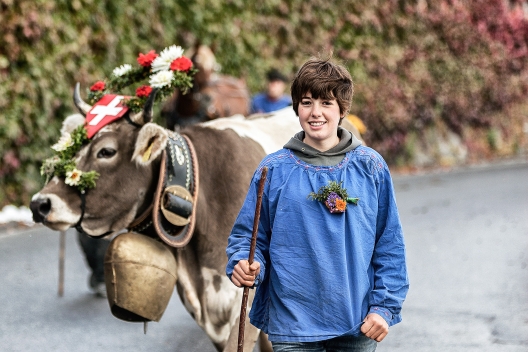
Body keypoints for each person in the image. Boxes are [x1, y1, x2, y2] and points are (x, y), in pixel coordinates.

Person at [226, 57, 409, 352]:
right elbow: (248, 237)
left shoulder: (370, 167)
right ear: (296, 106)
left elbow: (389, 244)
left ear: (342, 109)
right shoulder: (272, 170)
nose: (315, 112)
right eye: (307, 102)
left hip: (357, 321)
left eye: (326, 103)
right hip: (292, 323)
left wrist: (384, 308)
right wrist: (243, 264)